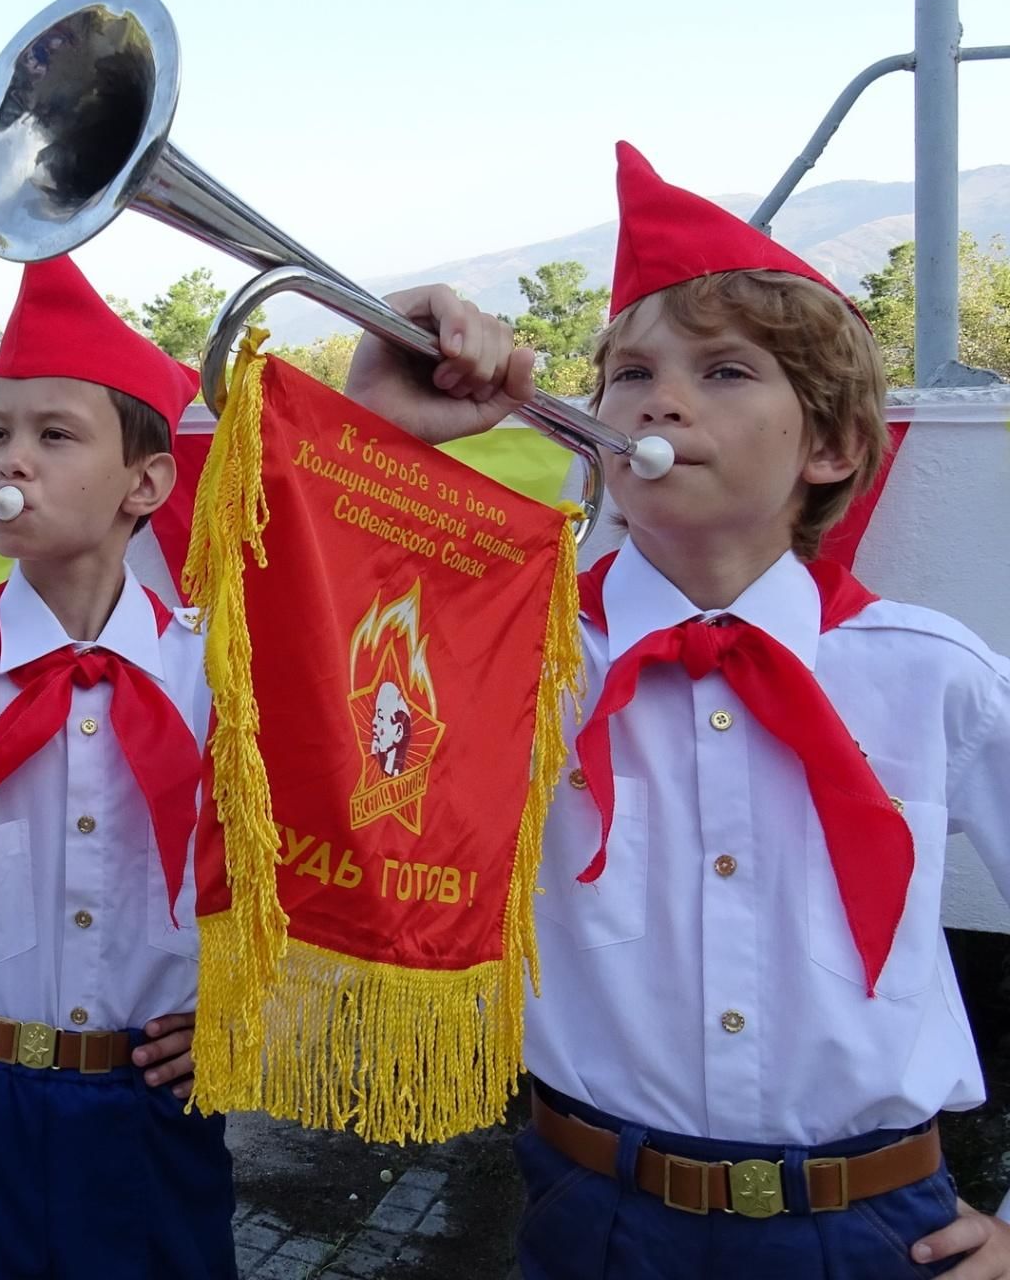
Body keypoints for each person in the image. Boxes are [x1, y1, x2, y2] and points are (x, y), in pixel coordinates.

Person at [0, 251, 551, 1278]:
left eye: (54, 435)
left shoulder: (231, 669)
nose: (8, 463)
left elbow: (363, 796)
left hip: (151, 1111)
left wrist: (259, 1013)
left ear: (147, 482)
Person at [345, 141, 1010, 1279]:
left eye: (727, 373)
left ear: (835, 446)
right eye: (632, 375)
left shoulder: (930, 671)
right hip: (594, 1216)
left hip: (880, 1228)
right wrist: (380, 443)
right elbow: (315, 699)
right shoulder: (511, 649)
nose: (662, 401)